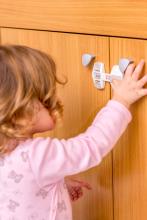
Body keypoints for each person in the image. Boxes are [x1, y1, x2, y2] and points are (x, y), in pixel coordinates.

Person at [0, 45, 146, 220]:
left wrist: (53, 186)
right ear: (17, 113)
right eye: (45, 98)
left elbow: (16, 190)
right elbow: (92, 146)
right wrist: (121, 101)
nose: (55, 100)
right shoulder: (36, 155)